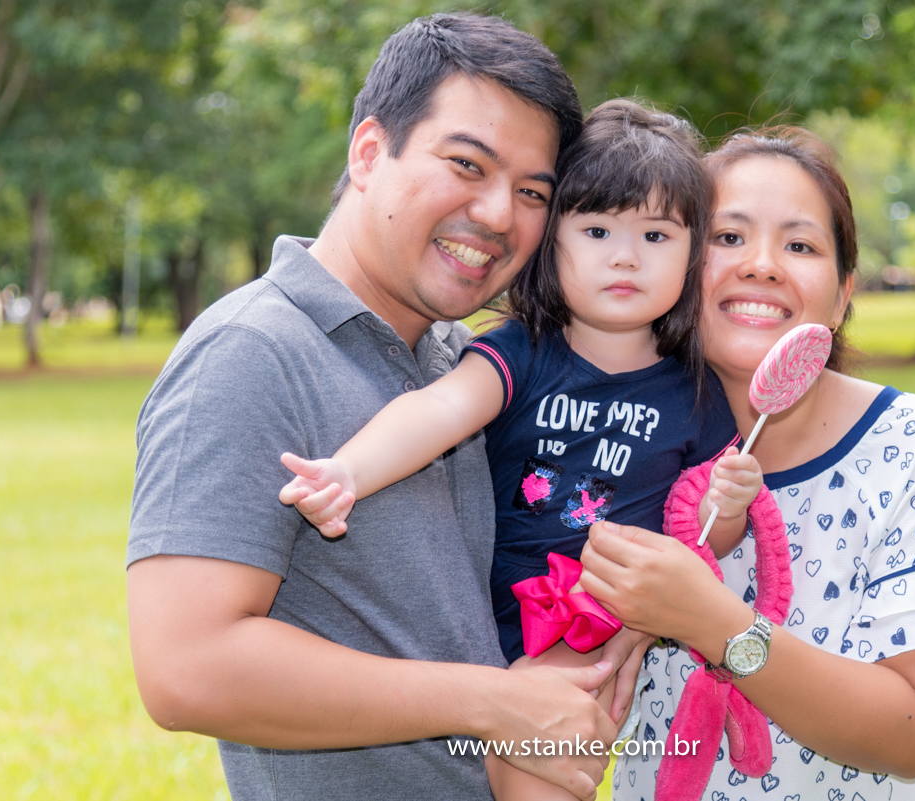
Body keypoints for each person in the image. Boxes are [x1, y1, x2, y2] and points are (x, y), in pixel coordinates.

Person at [127, 14, 628, 801]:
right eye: (467, 163)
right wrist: (494, 704)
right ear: (369, 152)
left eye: (532, 191)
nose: (500, 214)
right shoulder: (250, 352)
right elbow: (185, 668)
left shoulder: (465, 366)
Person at [277, 99, 766, 801]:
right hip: (482, 619)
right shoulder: (523, 351)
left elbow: (702, 541)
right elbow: (440, 408)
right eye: (597, 229)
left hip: (592, 625)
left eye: (657, 235)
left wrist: (730, 504)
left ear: (693, 251)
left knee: (537, 761)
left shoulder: (695, 391)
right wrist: (348, 469)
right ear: (552, 241)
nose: (625, 256)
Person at [576, 127, 915, 801]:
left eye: (800, 245)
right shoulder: (623, 447)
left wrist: (713, 621)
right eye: (727, 237)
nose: (762, 264)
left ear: (844, 291)